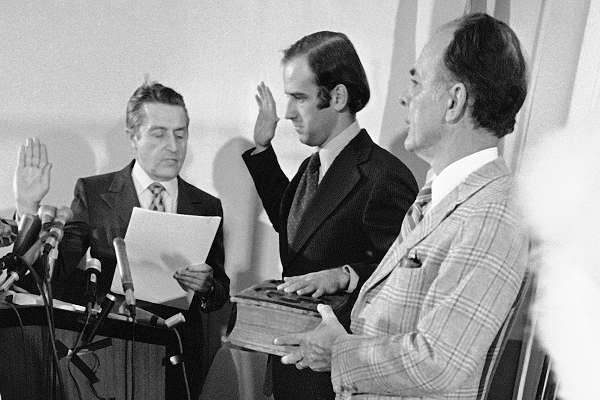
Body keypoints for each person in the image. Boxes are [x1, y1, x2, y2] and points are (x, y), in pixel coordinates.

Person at [275, 13, 530, 399]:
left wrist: (337, 351)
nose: (405, 98)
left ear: (454, 102)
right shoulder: (442, 196)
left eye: (417, 82)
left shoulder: (490, 217)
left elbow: (437, 362)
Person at [14, 82, 230, 400]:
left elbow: (220, 289)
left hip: (179, 353)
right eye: (159, 134)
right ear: (133, 137)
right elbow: (50, 276)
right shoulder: (93, 193)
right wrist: (27, 207)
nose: (173, 146)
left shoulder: (206, 205)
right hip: (111, 353)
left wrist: (208, 287)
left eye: (180, 134)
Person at [242, 31, 418, 400]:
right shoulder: (314, 165)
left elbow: (402, 278)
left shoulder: (384, 176)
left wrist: (345, 275)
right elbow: (294, 228)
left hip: (336, 378)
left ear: (337, 97)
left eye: (299, 98)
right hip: (294, 366)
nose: (288, 113)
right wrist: (262, 149)